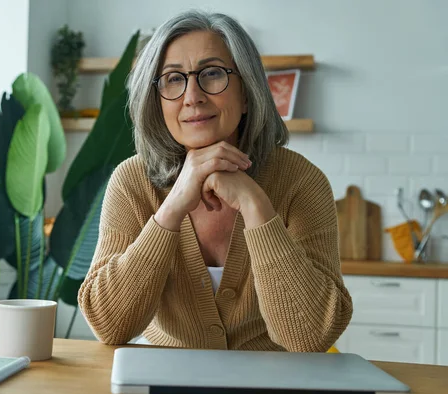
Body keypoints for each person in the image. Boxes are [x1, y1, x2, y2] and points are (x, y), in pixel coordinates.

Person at [78, 9, 353, 352]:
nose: (192, 96)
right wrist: (172, 208)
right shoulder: (132, 181)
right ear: (156, 101)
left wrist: (256, 207)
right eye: (173, 79)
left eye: (211, 73)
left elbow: (310, 337)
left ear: (247, 93)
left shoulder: (302, 181)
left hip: (272, 383)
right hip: (167, 379)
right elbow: (110, 326)